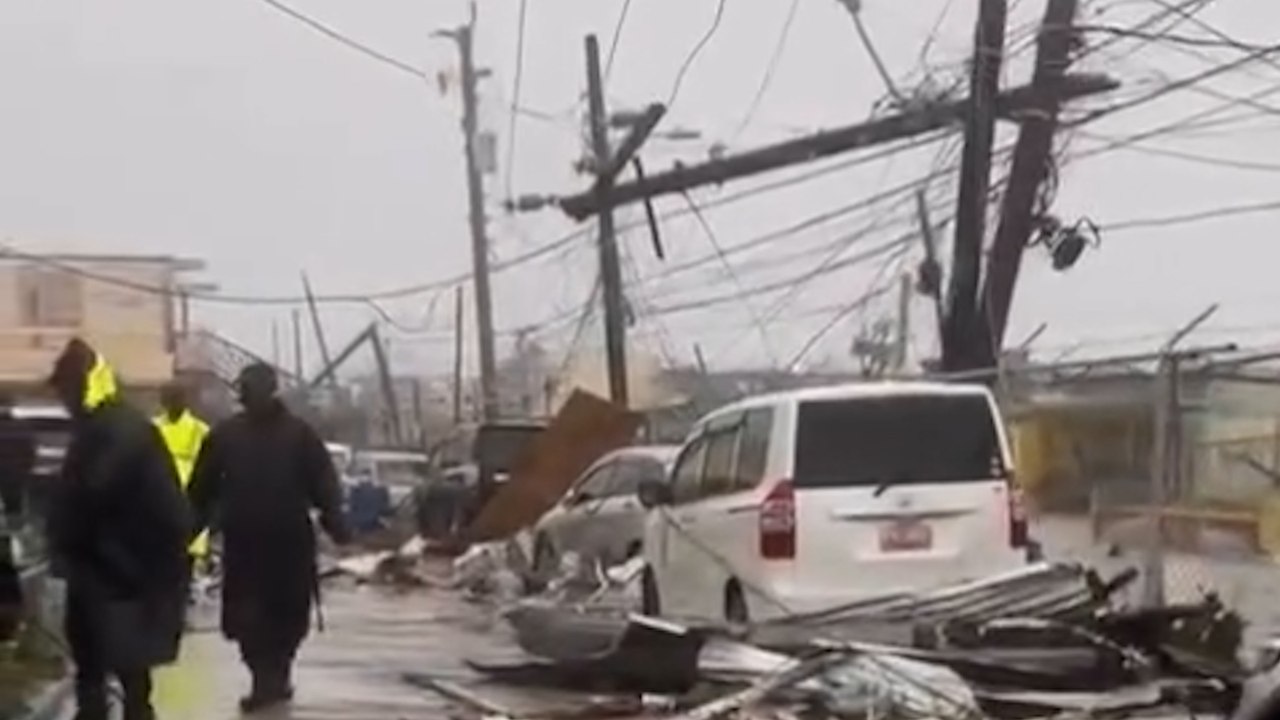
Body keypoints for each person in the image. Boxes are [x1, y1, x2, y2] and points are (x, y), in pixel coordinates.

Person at [188, 362, 350, 713]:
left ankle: (275, 676)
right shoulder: (227, 436)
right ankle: (266, 679)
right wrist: (187, 529)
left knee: (286, 614)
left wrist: (337, 524)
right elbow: (202, 489)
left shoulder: (298, 435)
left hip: (286, 542)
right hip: (247, 543)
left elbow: (324, 485)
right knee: (250, 617)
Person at [45, 338, 190, 720]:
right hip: (118, 565)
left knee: (111, 658)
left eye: (65, 391)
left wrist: (64, 536)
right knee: (113, 662)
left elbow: (91, 492)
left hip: (119, 567)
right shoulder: (112, 426)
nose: (65, 402)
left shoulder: (114, 431)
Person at [152, 382, 211, 575]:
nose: (172, 403)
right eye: (168, 399)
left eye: (176, 398)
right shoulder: (152, 428)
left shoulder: (200, 430)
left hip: (189, 493)